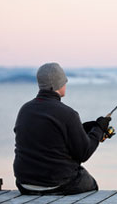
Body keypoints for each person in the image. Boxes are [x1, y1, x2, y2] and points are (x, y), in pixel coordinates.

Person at [13, 62, 111, 195]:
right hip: (58, 183)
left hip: (25, 183)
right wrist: (99, 129)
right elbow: (84, 153)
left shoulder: (25, 110)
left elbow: (49, 136)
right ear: (58, 84)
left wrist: (83, 129)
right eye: (64, 81)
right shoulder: (68, 114)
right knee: (91, 184)